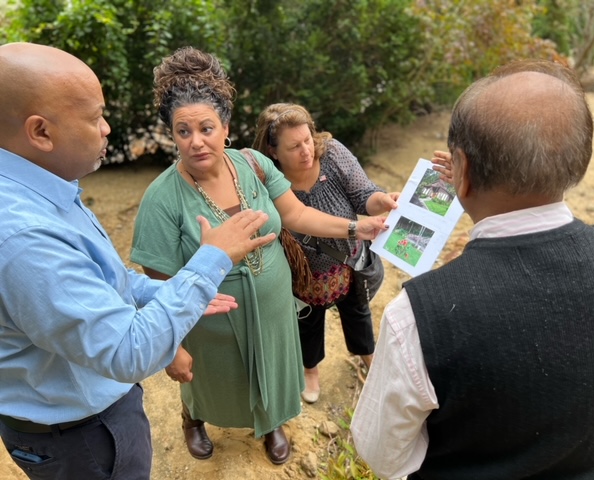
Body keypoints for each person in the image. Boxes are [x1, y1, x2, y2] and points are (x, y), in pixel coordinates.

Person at [351, 59, 594, 480]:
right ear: (580, 162)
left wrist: (472, 191)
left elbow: (382, 455)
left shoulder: (417, 315)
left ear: (460, 170)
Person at [0, 42, 276, 480]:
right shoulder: (25, 237)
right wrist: (211, 260)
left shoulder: (47, 189)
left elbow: (109, 283)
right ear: (41, 132)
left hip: (92, 414)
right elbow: (127, 350)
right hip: (80, 436)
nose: (108, 128)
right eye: (95, 117)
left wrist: (176, 290)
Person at [130, 47, 387, 465]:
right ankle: (193, 417)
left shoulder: (251, 165)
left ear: (225, 127)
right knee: (211, 379)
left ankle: (270, 424)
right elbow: (158, 284)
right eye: (183, 131)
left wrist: (358, 227)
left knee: (273, 367)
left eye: (206, 128)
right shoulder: (162, 199)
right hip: (212, 324)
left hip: (272, 308)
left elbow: (297, 213)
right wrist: (171, 348)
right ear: (172, 135)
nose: (196, 141)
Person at [252, 103, 399, 404]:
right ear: (273, 151)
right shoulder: (266, 181)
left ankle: (368, 356)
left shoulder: (331, 153)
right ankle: (311, 370)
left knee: (357, 310)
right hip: (303, 274)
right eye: (294, 146)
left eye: (307, 139)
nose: (306, 150)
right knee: (308, 321)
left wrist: (380, 200)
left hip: (348, 261)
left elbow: (363, 195)